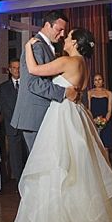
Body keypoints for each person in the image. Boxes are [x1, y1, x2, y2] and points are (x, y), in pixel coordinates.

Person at [12, 28, 112, 222]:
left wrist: (28, 46)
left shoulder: (69, 61)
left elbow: (34, 69)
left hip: (62, 115)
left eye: (68, 37)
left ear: (75, 42)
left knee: (61, 166)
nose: (65, 38)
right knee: (77, 167)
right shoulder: (82, 64)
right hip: (75, 113)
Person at [10, 11, 69, 150]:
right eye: (59, 30)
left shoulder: (46, 46)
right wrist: (64, 92)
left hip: (42, 114)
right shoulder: (36, 46)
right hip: (35, 116)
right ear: (48, 25)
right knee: (39, 166)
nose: (62, 35)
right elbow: (33, 83)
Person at [0, 59, 27, 182]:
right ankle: (19, 184)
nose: (17, 70)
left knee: (28, 155)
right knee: (15, 158)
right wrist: (16, 120)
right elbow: (3, 107)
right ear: (10, 70)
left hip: (27, 126)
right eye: (14, 68)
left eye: (19, 67)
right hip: (12, 126)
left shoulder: (27, 85)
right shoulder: (4, 87)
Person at [86, 73, 112, 149]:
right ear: (93, 82)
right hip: (93, 122)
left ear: (103, 81)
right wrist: (93, 121)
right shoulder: (89, 93)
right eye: (95, 80)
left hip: (105, 122)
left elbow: (109, 109)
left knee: (105, 147)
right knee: (94, 147)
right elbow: (88, 108)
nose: (98, 81)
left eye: (99, 79)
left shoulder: (109, 93)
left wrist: (105, 121)